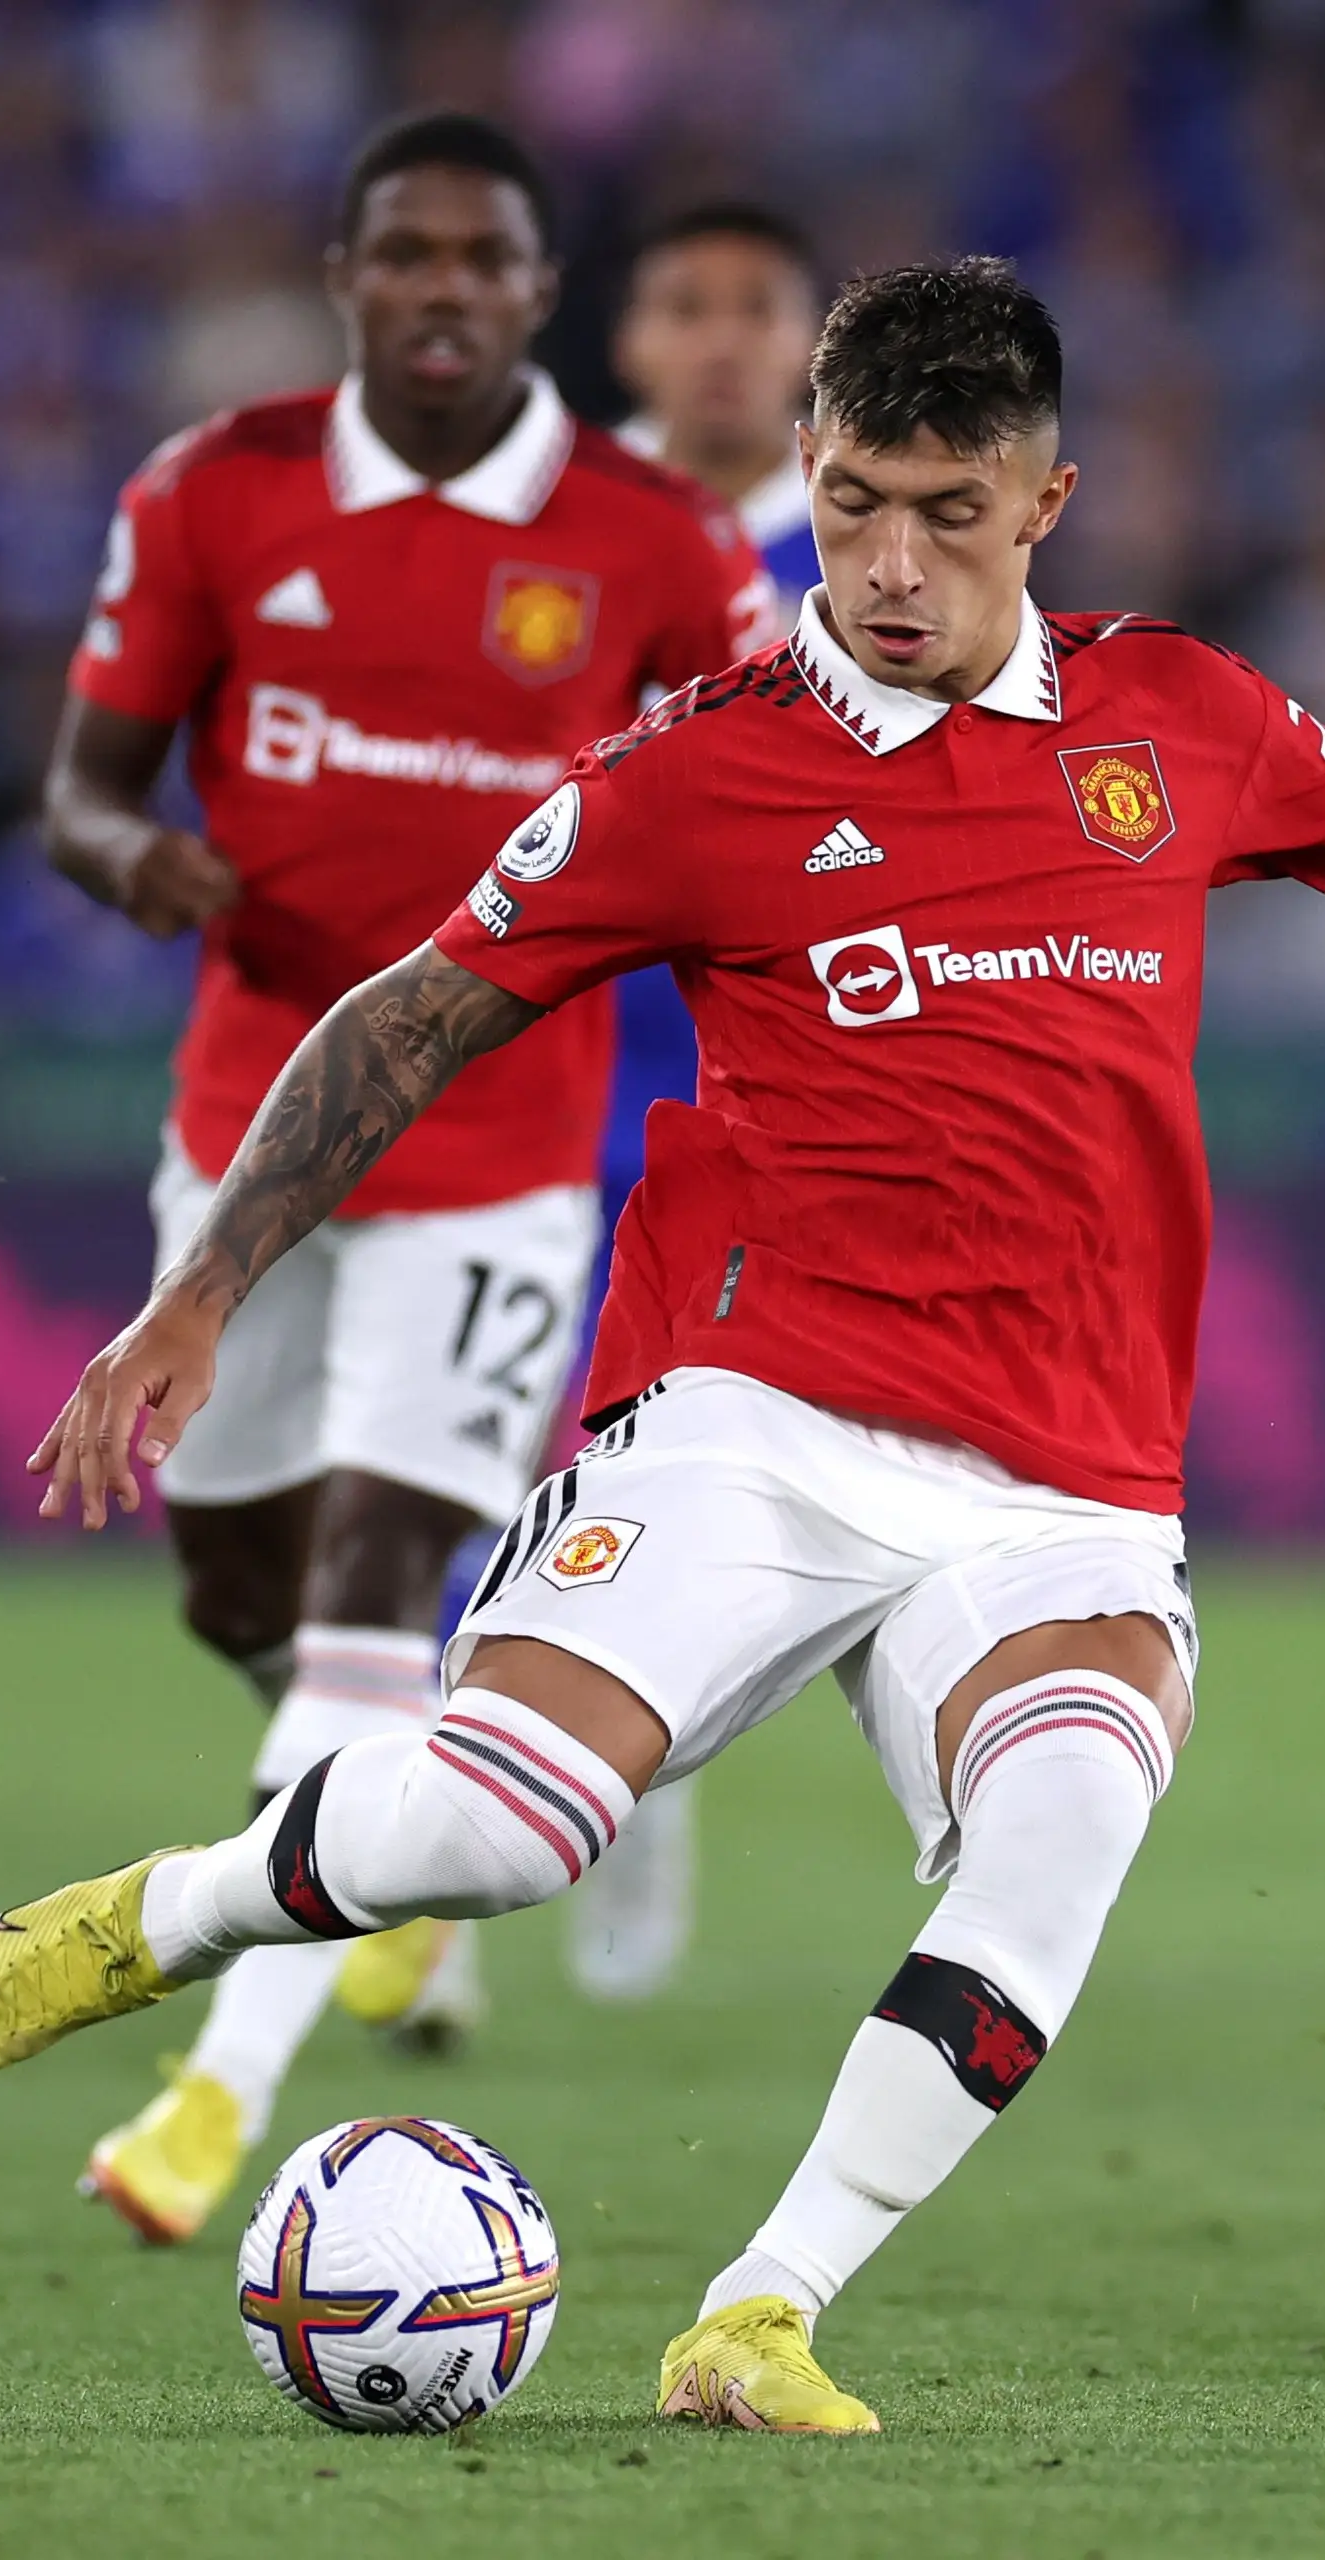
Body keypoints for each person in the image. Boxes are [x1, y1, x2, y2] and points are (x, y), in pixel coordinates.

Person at [0, 257, 1325, 2438]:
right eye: (858, 501)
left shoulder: (1174, 720)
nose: (891, 563)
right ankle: (168, 1911)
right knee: (502, 1840)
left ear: (1046, 502)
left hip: (1069, 1478)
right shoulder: (693, 777)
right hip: (752, 1421)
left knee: (1070, 1807)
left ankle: (762, 2308)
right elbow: (414, 1010)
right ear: (806, 472)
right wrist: (202, 1288)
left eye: (949, 515)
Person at [36, 111, 772, 2246]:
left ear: (539, 294)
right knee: (241, 1594)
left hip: (506, 1160)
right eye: (407, 253)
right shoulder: (212, 489)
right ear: (348, 273)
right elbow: (77, 789)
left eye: (486, 258)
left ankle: (208, 2100)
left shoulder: (645, 537)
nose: (445, 288)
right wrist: (137, 859)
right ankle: (425, 1833)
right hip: (249, 1137)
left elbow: (738, 789)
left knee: (371, 1589)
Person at [528, 199, 832, 2005]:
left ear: (808, 342)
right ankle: (468, 1841)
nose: (720, 338)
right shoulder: (549, 525)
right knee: (506, 1448)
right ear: (627, 341)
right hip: (558, 1047)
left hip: (769, 1072)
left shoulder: (877, 538)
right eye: (683, 304)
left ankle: (632, 1767)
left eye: (755, 305)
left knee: (681, 1461)